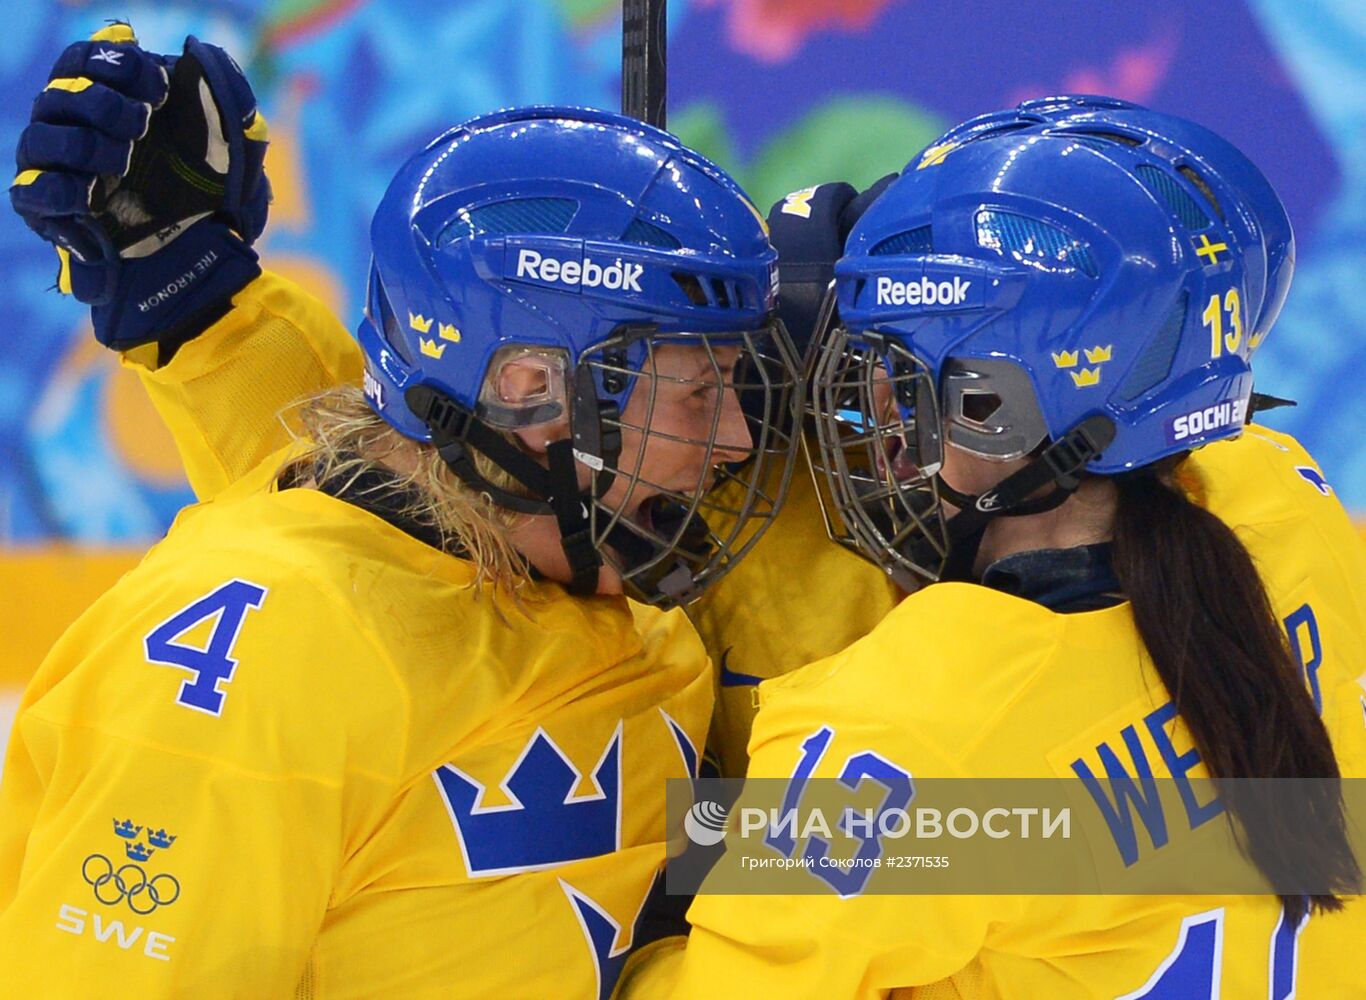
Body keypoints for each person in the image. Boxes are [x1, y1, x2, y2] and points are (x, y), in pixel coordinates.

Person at [0, 26, 801, 997]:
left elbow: (788, 860)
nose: (735, 444)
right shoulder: (263, 670)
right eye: (696, 393)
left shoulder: (597, 585)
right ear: (532, 388)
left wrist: (1025, 837)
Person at [615, 99, 1366, 997]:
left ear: (993, 411)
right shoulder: (1290, 499)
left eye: (895, 372)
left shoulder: (908, 723)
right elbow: (1015, 824)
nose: (872, 414)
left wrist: (666, 861)